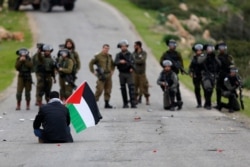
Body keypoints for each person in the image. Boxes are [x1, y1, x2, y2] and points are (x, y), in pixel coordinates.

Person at [159, 39, 184, 109]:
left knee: (176, 88)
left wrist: (181, 69)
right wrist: (166, 67)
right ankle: (170, 103)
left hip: (175, 73)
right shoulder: (166, 54)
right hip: (167, 73)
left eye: (173, 45)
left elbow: (181, 62)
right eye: (170, 45)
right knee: (166, 88)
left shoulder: (177, 54)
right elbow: (161, 61)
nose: (171, 46)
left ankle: (179, 102)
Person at [89, 44, 115, 108]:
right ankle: (94, 103)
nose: (106, 50)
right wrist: (93, 72)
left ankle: (107, 103)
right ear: (102, 48)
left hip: (108, 75)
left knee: (108, 90)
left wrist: (112, 70)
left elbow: (113, 64)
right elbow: (91, 63)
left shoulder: (109, 56)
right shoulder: (98, 56)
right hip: (101, 76)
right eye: (105, 48)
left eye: (107, 49)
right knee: (99, 89)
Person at [114, 39, 137, 108]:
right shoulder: (118, 55)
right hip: (122, 73)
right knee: (123, 88)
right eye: (122, 46)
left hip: (129, 73)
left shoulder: (130, 55)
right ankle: (125, 103)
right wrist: (120, 62)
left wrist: (132, 68)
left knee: (131, 88)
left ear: (127, 47)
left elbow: (134, 63)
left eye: (125, 46)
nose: (123, 48)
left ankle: (133, 103)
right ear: (120, 47)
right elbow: (115, 63)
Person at [199, 44, 221, 110]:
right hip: (205, 75)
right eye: (209, 49)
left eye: (211, 48)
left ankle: (207, 102)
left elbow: (219, 64)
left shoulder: (214, 57)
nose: (210, 50)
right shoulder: (204, 56)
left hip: (213, 75)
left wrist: (215, 57)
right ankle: (208, 104)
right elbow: (199, 61)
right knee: (208, 89)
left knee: (210, 90)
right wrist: (207, 55)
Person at [214, 42, 234, 110]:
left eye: (223, 48)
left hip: (227, 76)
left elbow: (232, 67)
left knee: (230, 90)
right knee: (218, 90)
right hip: (219, 76)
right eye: (220, 48)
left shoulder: (229, 57)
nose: (222, 49)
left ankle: (231, 107)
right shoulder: (216, 57)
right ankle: (219, 105)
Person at [132, 41, 150, 105]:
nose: (134, 46)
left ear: (139, 46)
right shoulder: (134, 53)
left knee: (144, 86)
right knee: (135, 86)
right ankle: (135, 99)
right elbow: (132, 61)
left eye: (135, 45)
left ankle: (147, 99)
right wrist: (137, 60)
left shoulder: (144, 53)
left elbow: (142, 61)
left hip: (142, 73)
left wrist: (135, 60)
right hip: (135, 72)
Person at [189, 43, 204, 108]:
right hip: (196, 75)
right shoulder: (194, 58)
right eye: (197, 51)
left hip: (203, 75)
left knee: (206, 89)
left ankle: (207, 103)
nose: (199, 52)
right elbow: (191, 67)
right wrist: (191, 72)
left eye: (200, 50)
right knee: (197, 89)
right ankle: (199, 103)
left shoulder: (204, 58)